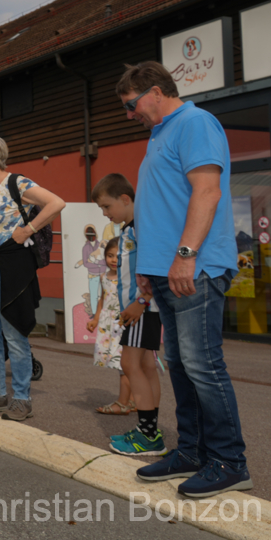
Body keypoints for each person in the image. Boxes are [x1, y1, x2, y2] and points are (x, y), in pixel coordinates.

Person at [117, 61, 249, 496]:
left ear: (156, 92)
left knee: (202, 365)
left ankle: (229, 461)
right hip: (165, 271)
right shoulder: (160, 133)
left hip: (195, 268)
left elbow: (207, 191)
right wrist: (148, 268)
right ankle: (192, 452)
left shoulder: (195, 123)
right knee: (180, 365)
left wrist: (185, 256)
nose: (130, 114)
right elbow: (161, 206)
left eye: (133, 105)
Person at [0, 134, 66, 421]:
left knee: (14, 333)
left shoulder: (16, 183)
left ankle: (21, 398)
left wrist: (28, 229)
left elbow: (56, 203)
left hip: (8, 266)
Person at [91, 173, 164, 455]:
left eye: (107, 206)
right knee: (145, 367)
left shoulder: (141, 228)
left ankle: (148, 435)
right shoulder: (129, 230)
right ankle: (149, 431)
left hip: (142, 309)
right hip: (140, 310)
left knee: (131, 365)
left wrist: (142, 301)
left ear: (125, 199)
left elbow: (157, 264)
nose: (105, 213)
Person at [86, 237, 131, 413]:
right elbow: (103, 299)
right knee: (122, 364)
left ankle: (123, 402)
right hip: (108, 324)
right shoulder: (103, 277)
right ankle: (131, 400)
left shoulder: (128, 276)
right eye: (110, 255)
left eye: (118, 256)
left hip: (122, 323)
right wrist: (95, 319)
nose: (114, 260)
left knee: (124, 364)